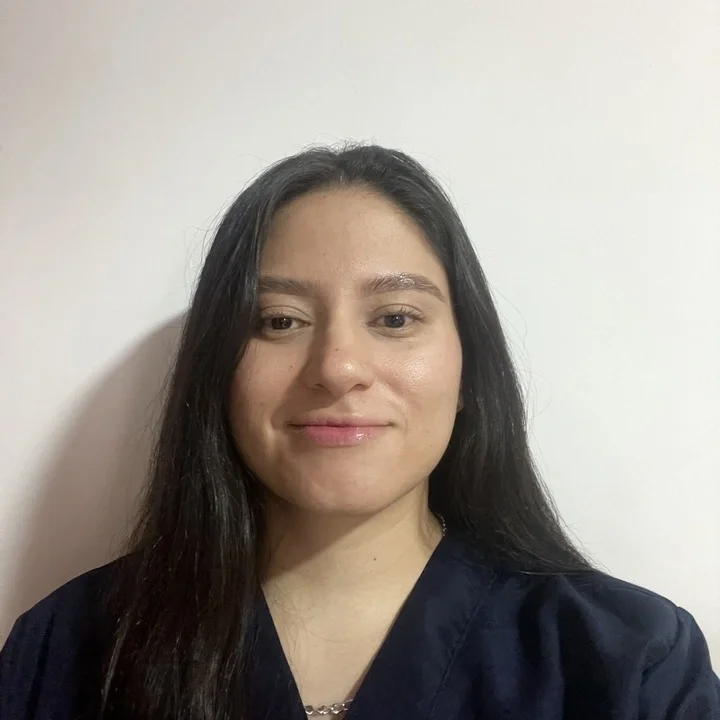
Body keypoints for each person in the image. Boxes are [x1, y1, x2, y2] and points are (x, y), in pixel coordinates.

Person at [1, 143, 718, 720]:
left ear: (470, 370)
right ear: (216, 370)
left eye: (395, 318)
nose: (338, 367)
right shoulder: (69, 649)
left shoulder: (629, 662)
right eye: (279, 320)